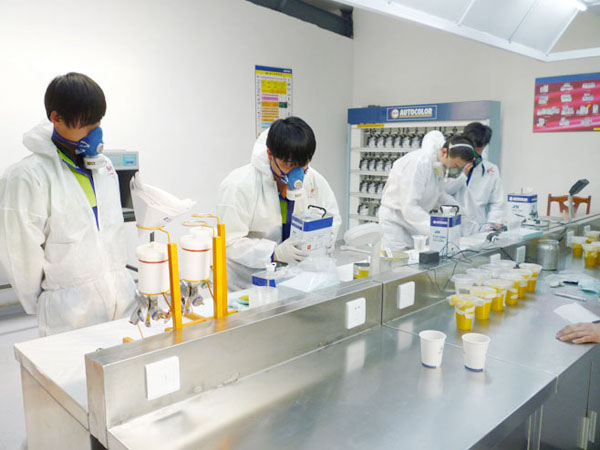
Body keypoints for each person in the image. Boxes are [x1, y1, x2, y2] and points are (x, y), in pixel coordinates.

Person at [0, 73, 136, 336]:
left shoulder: (104, 167)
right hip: (69, 310)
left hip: (121, 296)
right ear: (56, 118)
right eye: (86, 124)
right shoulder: (28, 176)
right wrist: (50, 301)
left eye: (98, 122)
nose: (95, 132)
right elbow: (20, 254)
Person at [217, 117, 341, 290]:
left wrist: (326, 240)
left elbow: (332, 217)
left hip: (297, 281)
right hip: (247, 285)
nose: (297, 173)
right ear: (270, 154)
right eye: (288, 164)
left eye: (303, 164)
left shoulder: (313, 179)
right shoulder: (239, 186)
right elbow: (229, 243)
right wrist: (274, 253)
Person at [379, 131, 476, 250]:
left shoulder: (437, 166)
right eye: (455, 165)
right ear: (444, 153)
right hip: (395, 223)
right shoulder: (419, 163)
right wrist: (437, 230)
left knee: (414, 258)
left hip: (413, 224)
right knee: (398, 260)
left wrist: (463, 216)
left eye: (459, 168)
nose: (455, 170)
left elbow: (440, 196)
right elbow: (409, 207)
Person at [443, 122, 505, 225]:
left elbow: (497, 203)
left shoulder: (491, 170)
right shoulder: (450, 165)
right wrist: (462, 176)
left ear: (485, 146)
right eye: (472, 148)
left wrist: (493, 224)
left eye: (478, 149)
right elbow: (443, 191)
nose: (474, 153)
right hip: (450, 224)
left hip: (478, 227)